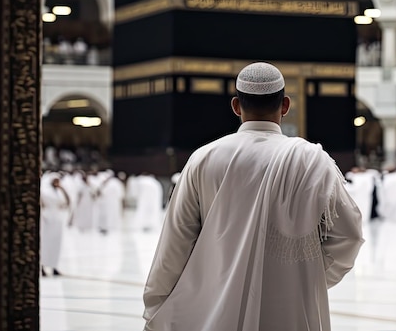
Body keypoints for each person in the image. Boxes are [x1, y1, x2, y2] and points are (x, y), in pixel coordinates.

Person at [142, 61, 364, 331]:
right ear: (285, 106)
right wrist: (306, 278)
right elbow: (349, 236)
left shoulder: (204, 159)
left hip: (218, 306)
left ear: (236, 106)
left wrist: (155, 306)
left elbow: (175, 244)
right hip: (293, 311)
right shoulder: (313, 161)